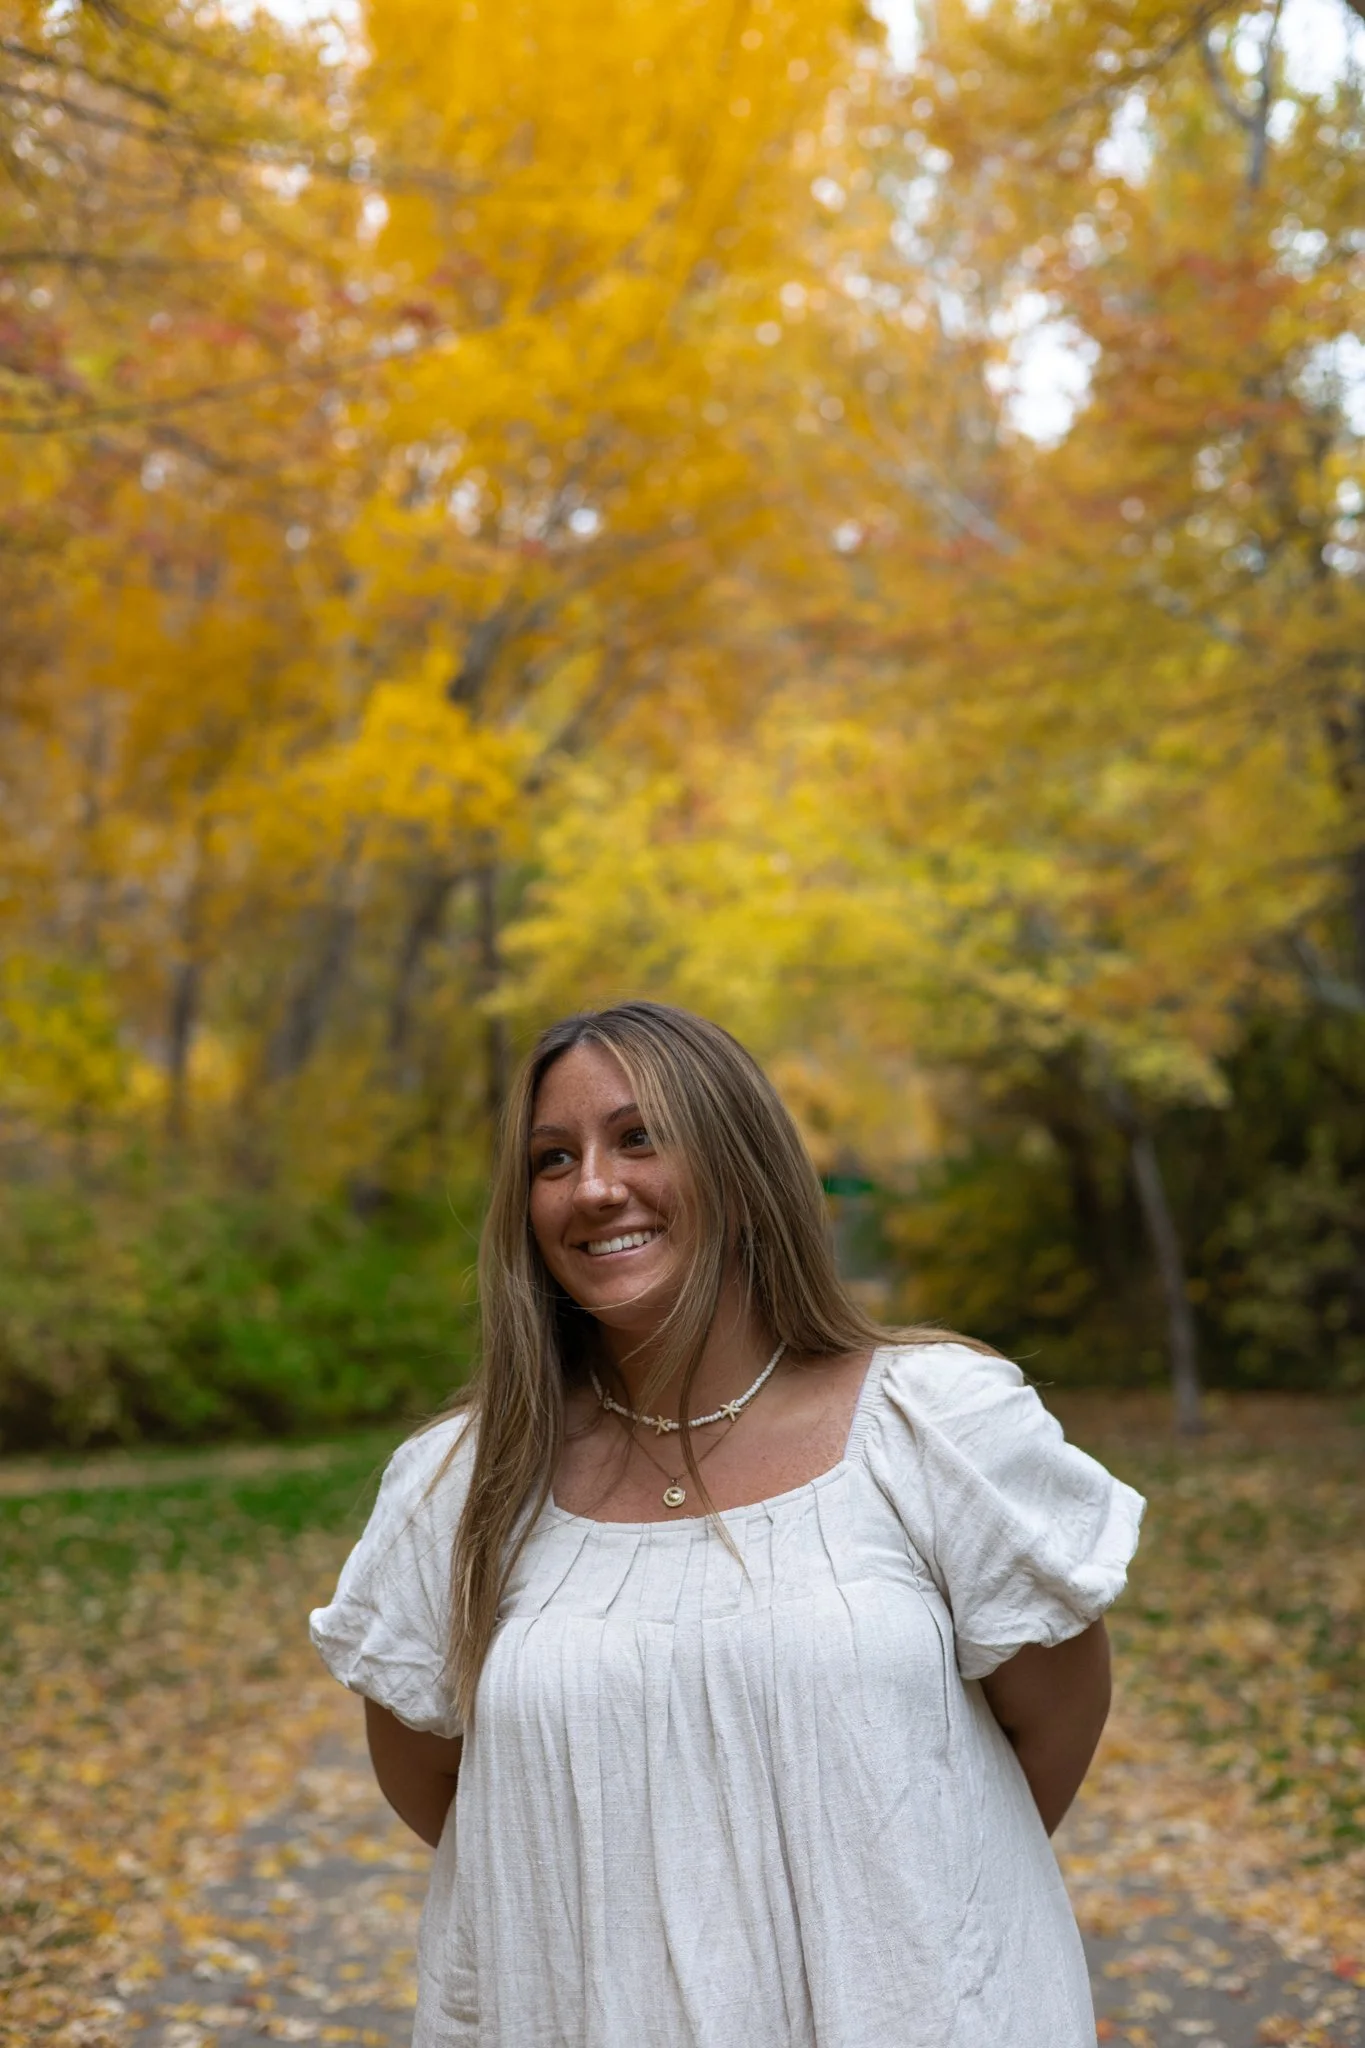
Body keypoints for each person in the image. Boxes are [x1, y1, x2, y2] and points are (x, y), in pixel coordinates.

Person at [311, 1000, 1144, 2047]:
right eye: (552, 1158)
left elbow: (1054, 1714)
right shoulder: (460, 1483)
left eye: (639, 1136)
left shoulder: (935, 1422)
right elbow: (442, 1786)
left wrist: (881, 1896)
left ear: (741, 1163)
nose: (594, 1186)